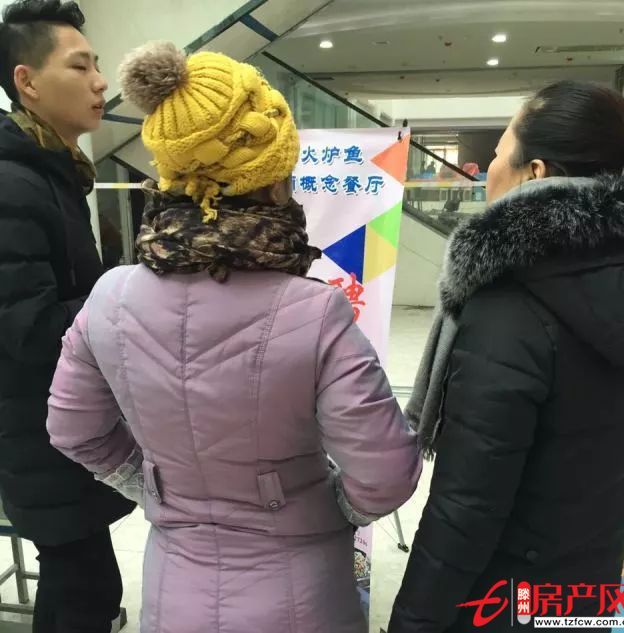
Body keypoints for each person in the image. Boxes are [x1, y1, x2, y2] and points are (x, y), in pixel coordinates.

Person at [46, 42, 422, 633]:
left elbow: (72, 428)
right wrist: (332, 509)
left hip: (175, 590)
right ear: (273, 181)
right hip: (303, 593)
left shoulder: (110, 297)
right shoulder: (315, 311)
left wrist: (150, 488)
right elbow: (387, 471)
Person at [388, 81, 624, 633]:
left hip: (500, 602)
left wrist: (413, 620)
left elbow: (467, 505)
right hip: (588, 585)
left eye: (499, 155)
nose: (488, 172)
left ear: (536, 172)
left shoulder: (508, 306)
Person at [0, 1, 136, 631]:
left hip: (62, 425)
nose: (100, 81)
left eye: (96, 65)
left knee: (84, 585)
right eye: (80, 66)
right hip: (36, 429)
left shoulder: (53, 171)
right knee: (84, 590)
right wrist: (129, 293)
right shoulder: (13, 183)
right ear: (26, 81)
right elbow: (26, 329)